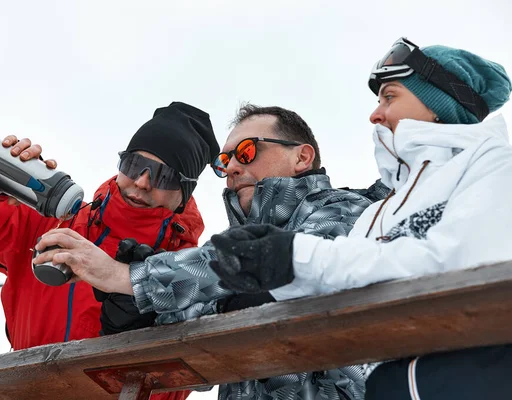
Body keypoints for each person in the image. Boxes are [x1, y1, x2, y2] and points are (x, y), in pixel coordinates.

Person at [207, 39, 512, 398]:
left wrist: (295, 256)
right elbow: (338, 289)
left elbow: (453, 264)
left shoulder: (494, 164)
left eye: (390, 97)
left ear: (435, 103)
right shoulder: (379, 210)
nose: (375, 114)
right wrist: (268, 282)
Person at [33, 104, 390, 399]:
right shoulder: (218, 258)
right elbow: (194, 354)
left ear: (302, 157)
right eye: (225, 161)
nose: (233, 167)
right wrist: (135, 314)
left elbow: (279, 267)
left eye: (247, 152)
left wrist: (125, 277)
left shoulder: (347, 213)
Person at [0, 101, 220, 400]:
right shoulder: (56, 222)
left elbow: (186, 377)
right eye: (134, 165)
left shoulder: (187, 273)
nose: (142, 182)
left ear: (184, 193)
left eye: (164, 176)